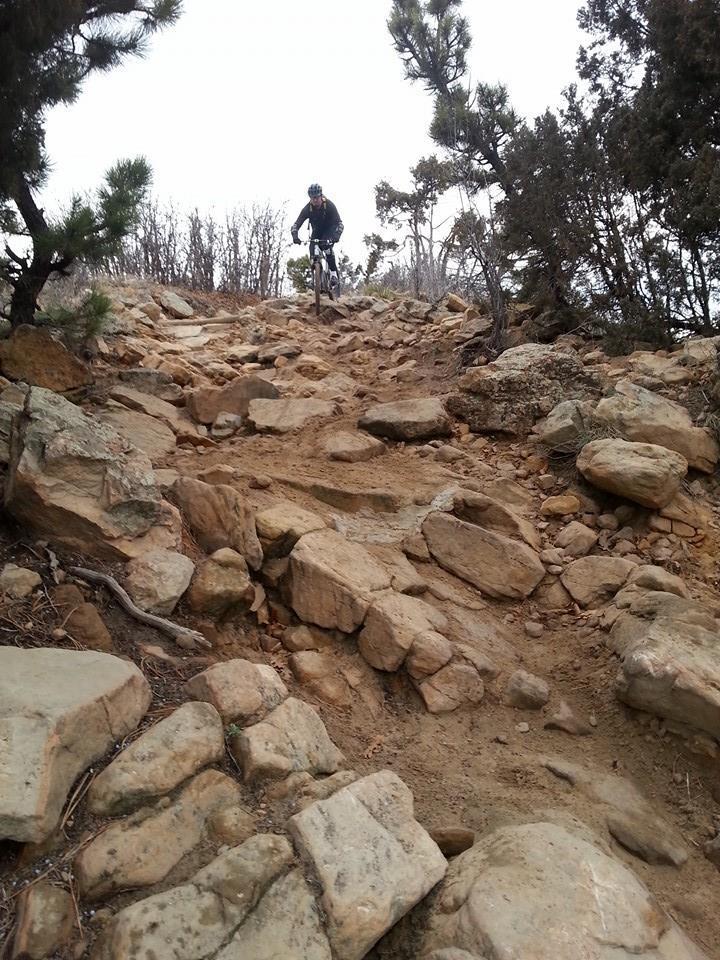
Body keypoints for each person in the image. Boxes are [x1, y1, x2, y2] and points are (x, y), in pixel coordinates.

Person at [291, 183, 344, 286]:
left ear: (321, 196)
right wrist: (295, 236)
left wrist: (337, 236)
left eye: (316, 197)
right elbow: (296, 224)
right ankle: (315, 279)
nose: (315, 200)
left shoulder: (329, 205)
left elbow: (340, 223)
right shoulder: (307, 208)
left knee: (326, 247)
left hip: (329, 230)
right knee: (312, 251)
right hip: (317, 231)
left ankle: (333, 274)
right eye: (312, 198)